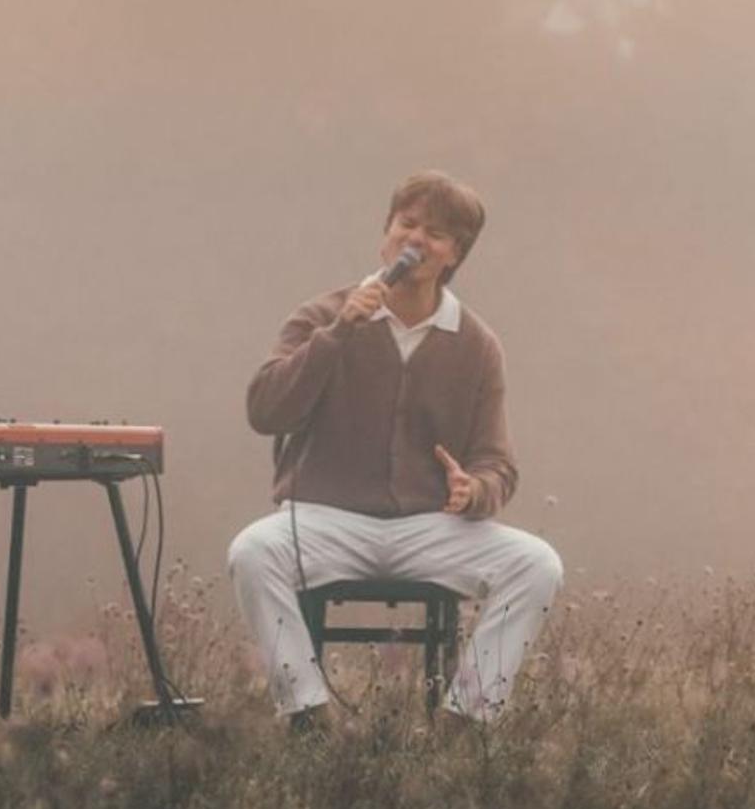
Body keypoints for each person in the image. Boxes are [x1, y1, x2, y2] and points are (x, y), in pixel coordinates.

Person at [228, 171, 563, 726]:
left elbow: (497, 465)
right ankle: (307, 713)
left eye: (435, 233)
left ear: (455, 254)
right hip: (325, 518)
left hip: (428, 527)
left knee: (537, 564)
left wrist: (473, 490)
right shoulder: (321, 315)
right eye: (406, 223)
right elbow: (265, 411)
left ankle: (467, 719)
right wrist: (338, 333)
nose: (415, 239)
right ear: (386, 232)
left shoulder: (476, 344)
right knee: (252, 552)